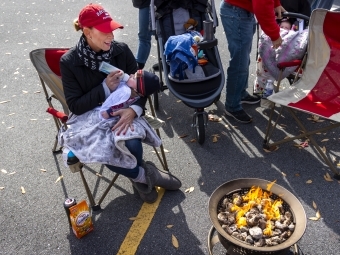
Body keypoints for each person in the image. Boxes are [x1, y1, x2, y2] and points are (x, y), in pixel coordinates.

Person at [59, 3, 181, 204]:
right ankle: (144, 175)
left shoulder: (121, 51)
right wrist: (105, 88)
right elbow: (75, 106)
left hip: (125, 112)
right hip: (90, 118)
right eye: (105, 31)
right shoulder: (69, 62)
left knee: (130, 141)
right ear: (88, 32)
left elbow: (141, 87)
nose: (111, 36)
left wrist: (133, 110)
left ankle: (138, 176)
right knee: (107, 148)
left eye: (112, 30)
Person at [219, 0, 286, 123]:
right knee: (239, 62)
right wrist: (274, 34)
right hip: (237, 12)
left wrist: (276, 4)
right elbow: (262, 6)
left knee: (243, 59)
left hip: (241, 11)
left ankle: (240, 94)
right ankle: (232, 105)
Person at [132, 0, 152, 69]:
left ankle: (166, 62)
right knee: (144, 36)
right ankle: (138, 66)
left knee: (164, 35)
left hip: (165, 5)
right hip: (145, 4)